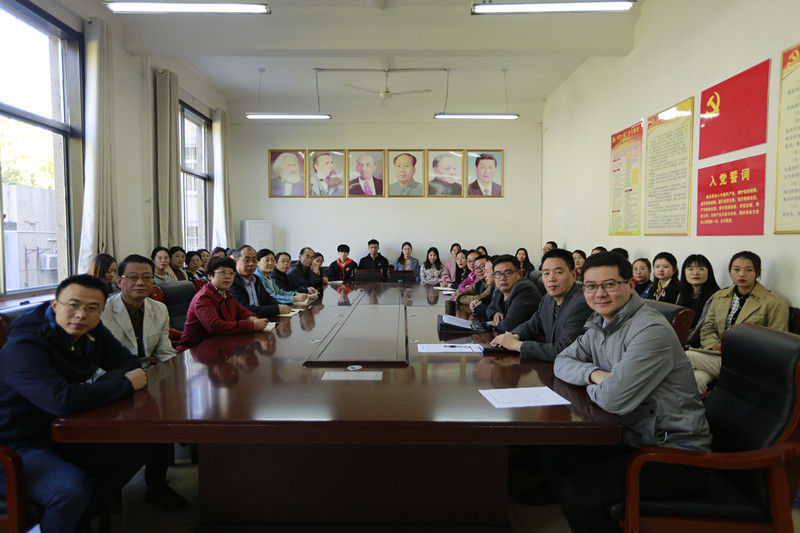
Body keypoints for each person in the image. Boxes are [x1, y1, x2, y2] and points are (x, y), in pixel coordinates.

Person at [544, 251, 711, 533]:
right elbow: (562, 361)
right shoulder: (601, 323)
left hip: (674, 455)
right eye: (591, 286)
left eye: (610, 284)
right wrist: (595, 374)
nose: (599, 294)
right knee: (553, 449)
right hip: (632, 435)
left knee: (577, 491)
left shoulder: (650, 330)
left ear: (630, 285)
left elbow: (613, 399)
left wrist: (603, 386)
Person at [0, 274, 151, 533]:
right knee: (70, 490)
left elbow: (128, 363)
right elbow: (61, 400)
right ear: (55, 305)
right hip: (14, 444)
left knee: (138, 445)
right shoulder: (24, 345)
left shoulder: (90, 328)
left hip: (61, 431)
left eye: (92, 308)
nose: (81, 315)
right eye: (73, 305)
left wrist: (89, 391)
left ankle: (75, 523)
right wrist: (123, 385)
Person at [101, 255, 187, 511]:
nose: (141, 282)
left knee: (168, 409)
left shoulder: (158, 309)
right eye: (133, 277)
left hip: (149, 374)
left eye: (147, 277)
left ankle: (156, 485)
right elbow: (100, 361)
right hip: (112, 378)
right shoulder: (103, 310)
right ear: (119, 281)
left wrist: (178, 377)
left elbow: (165, 351)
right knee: (151, 415)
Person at [686, 251, 789, 393]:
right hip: (715, 355)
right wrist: (713, 345)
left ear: (758, 273)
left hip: (748, 361)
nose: (741, 274)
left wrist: (734, 348)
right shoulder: (720, 296)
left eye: (748, 270)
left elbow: (777, 343)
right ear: (730, 272)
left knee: (686, 357)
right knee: (695, 379)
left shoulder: (774, 302)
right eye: (736, 269)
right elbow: (707, 327)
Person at [490, 248, 592, 361]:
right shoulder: (548, 298)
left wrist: (517, 345)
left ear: (573, 275)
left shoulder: (581, 304)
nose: (551, 279)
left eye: (558, 272)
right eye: (546, 273)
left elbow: (565, 350)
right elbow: (531, 325)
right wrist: (513, 336)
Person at [177, 256, 269, 352]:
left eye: (231, 273)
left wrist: (251, 318)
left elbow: (241, 311)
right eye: (222, 272)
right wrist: (252, 325)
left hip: (219, 345)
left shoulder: (225, 293)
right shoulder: (204, 298)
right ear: (209, 275)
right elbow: (215, 326)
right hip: (195, 350)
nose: (228, 276)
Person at [229, 245, 291, 318]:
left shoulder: (256, 279)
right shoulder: (232, 281)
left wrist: (281, 305)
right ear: (236, 262)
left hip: (261, 319)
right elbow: (243, 309)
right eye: (247, 260)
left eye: (254, 260)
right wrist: (277, 309)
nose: (251, 263)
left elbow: (267, 299)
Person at [485, 254, 542, 332]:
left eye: (508, 273)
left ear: (520, 274)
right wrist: (495, 314)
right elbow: (490, 309)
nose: (502, 278)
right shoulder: (499, 289)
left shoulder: (525, 290)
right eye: (498, 274)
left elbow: (509, 326)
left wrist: (495, 323)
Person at [675, 254, 720, 347]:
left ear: (709, 272)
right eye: (690, 269)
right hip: (679, 341)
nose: (695, 273)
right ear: (684, 272)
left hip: (700, 345)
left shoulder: (714, 295)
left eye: (701, 269)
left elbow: (701, 327)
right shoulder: (682, 294)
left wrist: (678, 339)